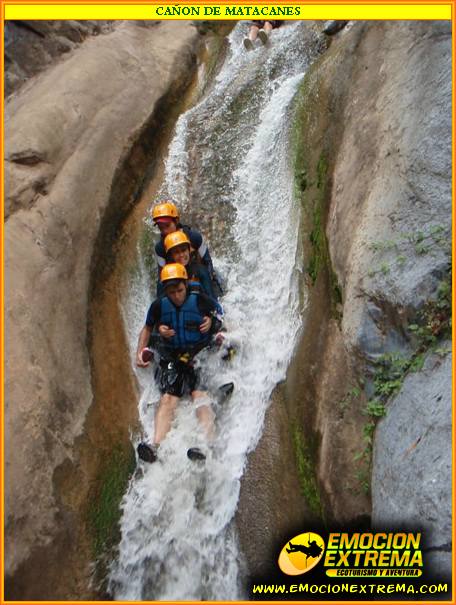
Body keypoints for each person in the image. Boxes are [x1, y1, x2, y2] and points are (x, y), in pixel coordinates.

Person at [136, 263, 223, 463]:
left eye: (180, 290)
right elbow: (147, 329)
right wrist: (139, 351)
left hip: (198, 353)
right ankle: (155, 445)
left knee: (198, 394)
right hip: (173, 356)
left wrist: (211, 321)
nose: (176, 295)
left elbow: (220, 316)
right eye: (171, 291)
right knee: (168, 398)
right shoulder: (159, 306)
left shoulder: (200, 300)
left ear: (186, 285)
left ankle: (207, 444)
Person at [151, 200, 223, 297]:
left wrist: (206, 282)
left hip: (199, 274)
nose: (165, 231)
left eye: (167, 226)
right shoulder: (160, 248)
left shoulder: (194, 237)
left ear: (176, 221)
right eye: (161, 228)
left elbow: (207, 262)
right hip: (178, 279)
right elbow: (162, 277)